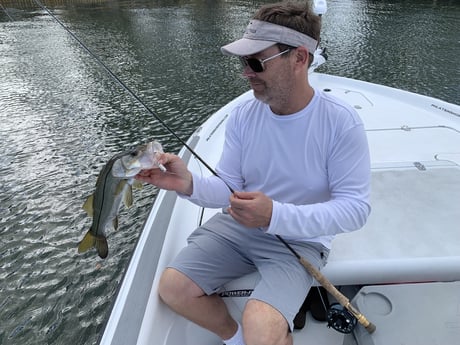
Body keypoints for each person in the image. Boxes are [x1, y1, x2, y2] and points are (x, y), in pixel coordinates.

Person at [136, 2, 371, 345]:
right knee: (173, 288)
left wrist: (275, 214)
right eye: (243, 62)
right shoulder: (244, 115)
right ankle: (235, 338)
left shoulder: (340, 122)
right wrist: (187, 184)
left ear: (300, 59)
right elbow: (229, 187)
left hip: (301, 241)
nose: (246, 72)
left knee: (262, 324)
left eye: (256, 62)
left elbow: (355, 209)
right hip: (238, 227)